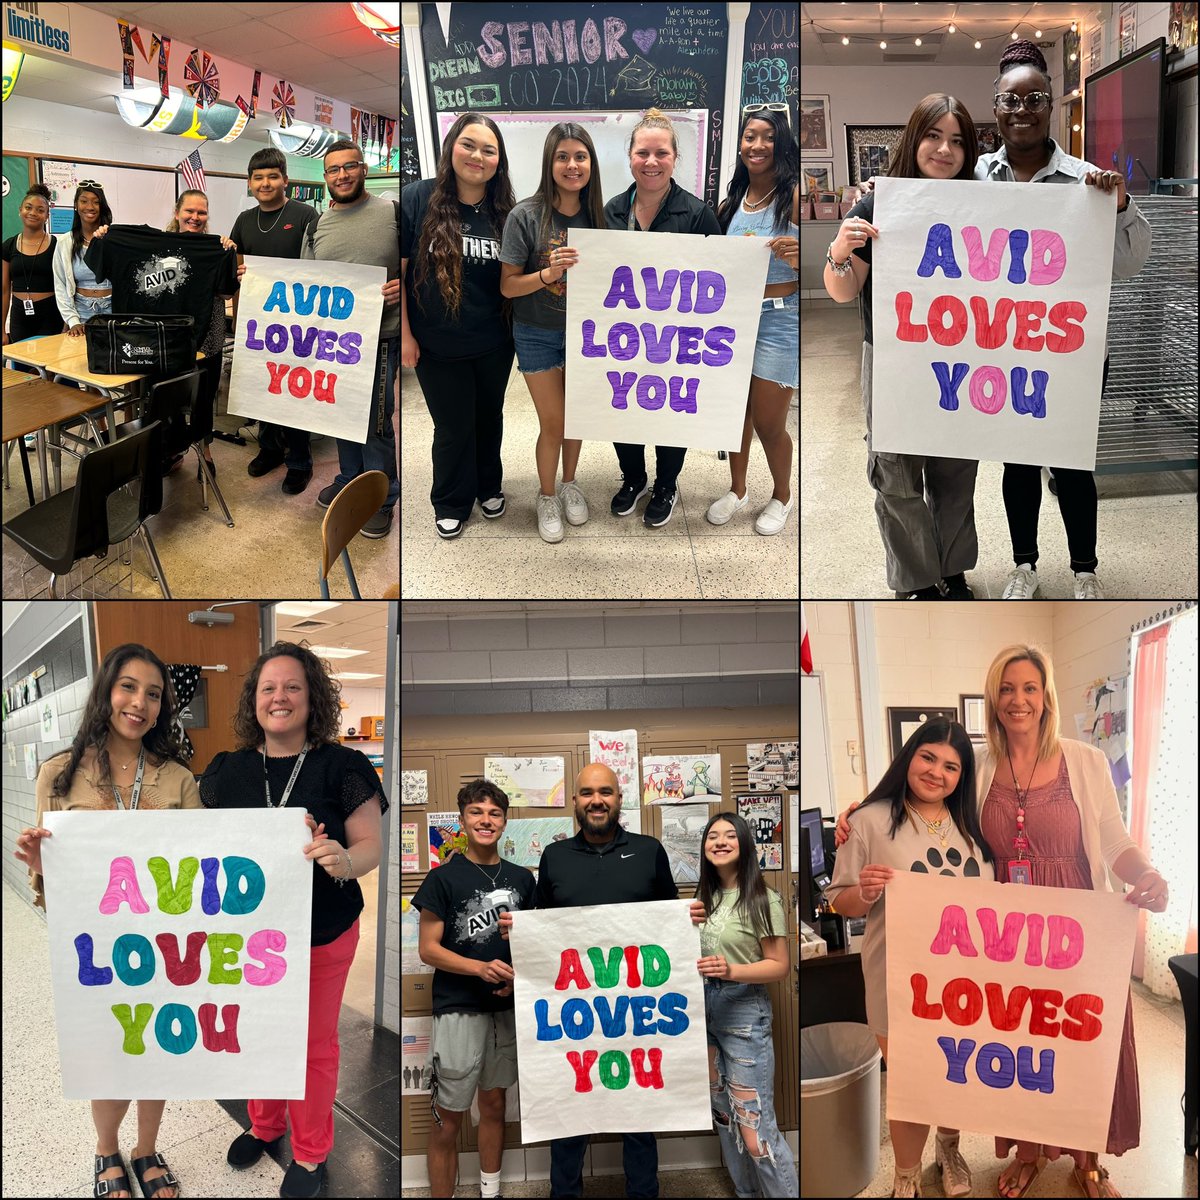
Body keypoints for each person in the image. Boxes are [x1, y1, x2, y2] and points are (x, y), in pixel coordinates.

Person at [834, 646, 1169, 1200]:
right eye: (1007, 689)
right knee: (1023, 1042)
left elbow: (1116, 845)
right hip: (1006, 938)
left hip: (1075, 930)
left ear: (1046, 697)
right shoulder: (981, 765)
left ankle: (1088, 1161)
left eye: (1030, 688)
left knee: (1080, 1041)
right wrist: (856, 812)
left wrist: (1148, 874)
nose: (1018, 699)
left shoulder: (1085, 761)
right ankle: (1031, 1152)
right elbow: (924, 803)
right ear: (994, 698)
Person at [201, 640, 389, 1199]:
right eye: (268, 687)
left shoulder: (345, 766)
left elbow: (370, 847)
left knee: (312, 1044)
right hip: (249, 936)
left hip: (322, 932)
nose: (279, 697)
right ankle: (264, 1124)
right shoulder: (225, 771)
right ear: (253, 700)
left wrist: (343, 860)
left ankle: (310, 1154)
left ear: (313, 699)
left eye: (292, 687)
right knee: (257, 1033)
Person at [14, 643, 200, 1200]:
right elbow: (49, 885)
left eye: (153, 693)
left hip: (165, 944)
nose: (139, 703)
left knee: (157, 1048)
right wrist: (42, 864)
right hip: (95, 947)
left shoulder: (178, 780)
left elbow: (204, 866)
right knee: (108, 1050)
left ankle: (146, 1149)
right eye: (128, 687)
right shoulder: (58, 774)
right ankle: (105, 1148)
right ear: (106, 691)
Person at [979, 41, 1152, 600]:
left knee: (1072, 464)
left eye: (1035, 98)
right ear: (996, 106)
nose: (1023, 109)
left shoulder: (1088, 181)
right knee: (1018, 463)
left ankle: (1084, 570)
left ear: (1051, 105)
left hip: (1071, 353)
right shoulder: (973, 178)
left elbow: (1128, 264)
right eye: (1012, 99)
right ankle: (1023, 566)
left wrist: (1119, 207)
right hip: (1001, 346)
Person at [498, 763, 708, 1198]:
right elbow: (542, 926)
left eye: (606, 792)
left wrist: (687, 919)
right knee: (569, 1114)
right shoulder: (555, 857)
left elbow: (668, 920)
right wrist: (518, 932)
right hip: (577, 1017)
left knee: (640, 1115)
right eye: (588, 792)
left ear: (619, 799)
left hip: (636, 1013)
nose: (597, 800)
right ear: (575, 801)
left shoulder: (650, 851)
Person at [825, 718, 993, 1198]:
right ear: (909, 756)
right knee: (911, 1080)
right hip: (897, 977)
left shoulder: (971, 825)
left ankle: (949, 1147)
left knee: (956, 1070)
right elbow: (839, 900)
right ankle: (905, 1174)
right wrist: (866, 890)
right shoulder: (868, 821)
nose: (936, 772)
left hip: (963, 978)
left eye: (951, 766)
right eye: (928, 757)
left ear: (962, 776)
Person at [825, 95, 983, 600]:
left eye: (958, 140)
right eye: (934, 136)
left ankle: (953, 569)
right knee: (895, 473)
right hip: (893, 357)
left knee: (956, 471)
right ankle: (915, 578)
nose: (944, 149)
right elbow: (844, 290)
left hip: (961, 358)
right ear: (914, 139)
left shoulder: (981, 202)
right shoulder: (878, 205)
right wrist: (839, 251)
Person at [413, 779, 536, 1199]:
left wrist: (513, 978)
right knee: (447, 1117)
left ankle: (491, 1191)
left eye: (495, 813)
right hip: (458, 1009)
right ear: (463, 820)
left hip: (504, 1010)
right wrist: (480, 968)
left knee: (495, 1107)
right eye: (477, 813)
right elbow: (429, 950)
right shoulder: (443, 878)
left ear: (504, 821)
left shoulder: (522, 879)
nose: (486, 820)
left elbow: (533, 944)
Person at [603, 108, 723, 528]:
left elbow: (718, 280)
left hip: (677, 338)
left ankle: (667, 483)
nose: (651, 162)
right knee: (624, 403)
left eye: (661, 153)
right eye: (642, 153)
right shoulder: (612, 211)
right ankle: (633, 478)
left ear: (675, 158)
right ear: (630, 157)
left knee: (673, 408)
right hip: (623, 336)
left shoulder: (697, 214)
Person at [401, 112, 516, 540]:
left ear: (498, 161)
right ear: (451, 147)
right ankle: (450, 500)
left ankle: (488, 485)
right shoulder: (418, 197)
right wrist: (407, 335)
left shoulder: (507, 210)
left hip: (494, 342)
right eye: (469, 144)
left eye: (489, 149)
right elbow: (402, 269)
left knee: (490, 417)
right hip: (436, 344)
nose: (477, 156)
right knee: (452, 427)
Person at [500, 122, 607, 544]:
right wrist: (548, 273)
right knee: (554, 422)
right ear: (549, 162)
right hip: (537, 332)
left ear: (591, 164)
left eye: (580, 156)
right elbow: (508, 286)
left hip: (588, 334)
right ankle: (546, 495)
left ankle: (569, 482)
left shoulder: (603, 214)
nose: (572, 164)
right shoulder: (524, 215)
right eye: (562, 156)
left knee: (576, 417)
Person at [301, 139, 400, 539]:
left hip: (381, 336)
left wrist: (402, 289)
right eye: (333, 170)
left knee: (376, 422)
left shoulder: (394, 213)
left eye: (349, 166)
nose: (342, 175)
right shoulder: (316, 225)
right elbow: (302, 284)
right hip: (332, 340)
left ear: (364, 169)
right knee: (338, 412)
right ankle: (349, 477)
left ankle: (382, 497)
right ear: (326, 177)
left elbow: (416, 268)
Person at [695, 812, 797, 1197]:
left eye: (729, 836)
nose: (719, 842)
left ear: (744, 845)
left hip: (743, 1017)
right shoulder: (704, 899)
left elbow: (780, 965)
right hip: (704, 1015)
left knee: (756, 1132)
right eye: (712, 837)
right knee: (726, 1120)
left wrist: (731, 970)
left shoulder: (762, 898)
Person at [709, 108, 800, 536]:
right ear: (740, 144)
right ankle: (738, 489)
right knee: (733, 415)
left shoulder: (794, 196)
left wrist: (800, 257)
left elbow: (827, 267)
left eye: (767, 138)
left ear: (780, 144)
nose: (757, 145)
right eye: (749, 137)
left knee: (768, 422)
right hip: (732, 321)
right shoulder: (730, 204)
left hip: (779, 323)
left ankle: (782, 495)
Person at [229, 148, 322, 494]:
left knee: (293, 390)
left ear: (285, 179)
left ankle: (300, 460)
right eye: (258, 177)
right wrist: (238, 320)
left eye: (272, 176)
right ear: (250, 182)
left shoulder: (305, 215)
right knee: (263, 388)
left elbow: (319, 269)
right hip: (258, 324)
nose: (265, 183)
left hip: (297, 323)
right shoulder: (244, 219)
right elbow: (236, 272)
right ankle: (270, 449)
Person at [2, 182, 59, 351]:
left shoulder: (57, 245)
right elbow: (4, 289)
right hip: (20, 315)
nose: (33, 213)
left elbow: (67, 287)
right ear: (20, 210)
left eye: (40, 210)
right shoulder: (9, 245)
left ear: (47, 216)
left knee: (50, 369)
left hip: (50, 314)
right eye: (28, 207)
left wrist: (66, 324)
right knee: (23, 369)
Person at [53, 181, 115, 337]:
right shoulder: (65, 242)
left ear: (102, 207)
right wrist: (73, 320)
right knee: (82, 360)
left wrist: (109, 238)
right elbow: (60, 285)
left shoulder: (112, 238)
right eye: (84, 201)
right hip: (81, 312)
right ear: (76, 205)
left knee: (112, 359)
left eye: (96, 202)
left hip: (113, 310)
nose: (90, 207)